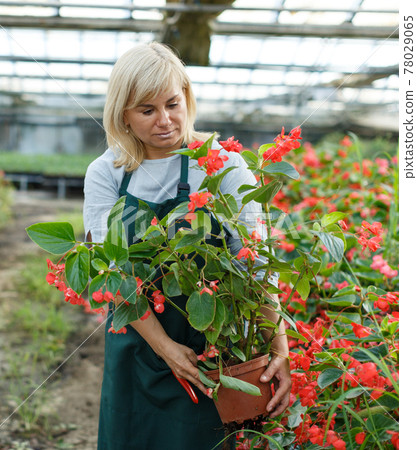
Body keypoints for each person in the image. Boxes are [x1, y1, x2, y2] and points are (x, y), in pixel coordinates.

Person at [83, 42, 291, 450]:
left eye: (173, 103)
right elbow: (114, 271)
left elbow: (256, 263)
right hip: (138, 341)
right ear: (122, 114)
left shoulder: (224, 163)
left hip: (214, 347)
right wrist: (164, 348)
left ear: (187, 97)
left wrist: (278, 345)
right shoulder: (105, 173)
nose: (165, 121)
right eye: (147, 111)